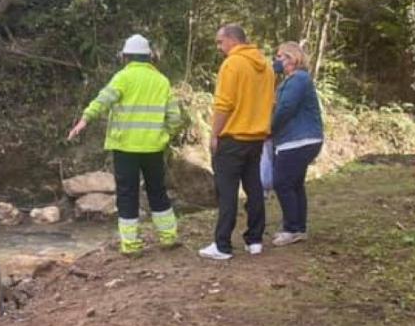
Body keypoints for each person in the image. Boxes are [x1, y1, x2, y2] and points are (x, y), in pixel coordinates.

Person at [68, 34, 182, 254]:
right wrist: (165, 135)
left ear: (126, 57)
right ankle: (168, 237)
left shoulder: (122, 78)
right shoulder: (162, 81)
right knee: (157, 191)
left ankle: (131, 245)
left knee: (127, 194)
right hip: (153, 148)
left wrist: (84, 120)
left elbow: (103, 100)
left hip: (125, 149)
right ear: (149, 57)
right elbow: (174, 118)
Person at [199, 24, 275, 260]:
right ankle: (255, 240)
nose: (219, 47)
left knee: (227, 191)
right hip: (256, 138)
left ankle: (222, 245)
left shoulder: (232, 64)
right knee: (253, 188)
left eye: (220, 42)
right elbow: (270, 102)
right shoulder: (266, 66)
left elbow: (224, 104)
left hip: (232, 137)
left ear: (232, 40)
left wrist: (214, 134)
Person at [270, 42, 323, 245]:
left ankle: (291, 229)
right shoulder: (294, 80)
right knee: (295, 184)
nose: (277, 61)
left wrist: (270, 129)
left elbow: (286, 108)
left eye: (280, 57)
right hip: (301, 139)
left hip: (298, 140)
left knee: (282, 183)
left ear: (293, 58)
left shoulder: (298, 79)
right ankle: (299, 228)